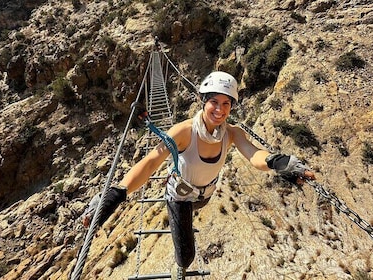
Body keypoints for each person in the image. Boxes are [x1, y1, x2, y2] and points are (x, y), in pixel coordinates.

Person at [82, 71, 316, 279]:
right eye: (214, 102)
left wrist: (277, 162)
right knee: (186, 256)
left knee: (190, 226)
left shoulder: (232, 133)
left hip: (204, 197)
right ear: (202, 101)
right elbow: (151, 162)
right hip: (180, 197)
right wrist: (115, 194)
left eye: (226, 104)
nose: (220, 109)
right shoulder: (184, 132)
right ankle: (180, 267)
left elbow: (254, 155)